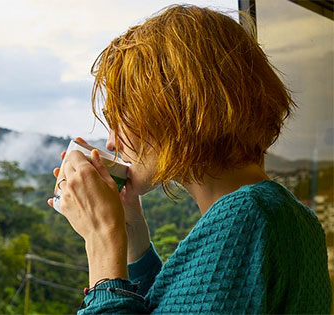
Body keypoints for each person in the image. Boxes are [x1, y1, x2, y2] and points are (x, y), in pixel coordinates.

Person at [47, 4, 332, 314]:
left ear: (174, 108)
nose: (113, 142)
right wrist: (133, 235)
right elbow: (178, 307)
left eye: (119, 118)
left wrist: (103, 240)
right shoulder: (287, 217)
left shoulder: (247, 217)